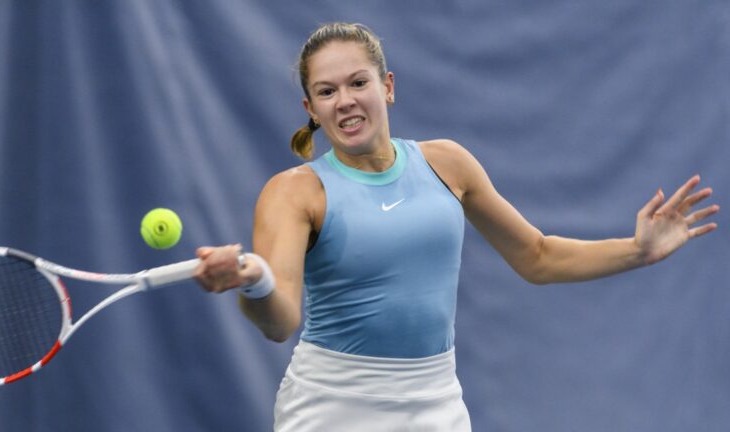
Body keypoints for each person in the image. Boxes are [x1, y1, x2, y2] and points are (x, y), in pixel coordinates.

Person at [193, 22, 719, 431]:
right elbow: (279, 321)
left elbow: (537, 256)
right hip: (333, 405)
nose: (346, 100)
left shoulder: (448, 163)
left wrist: (637, 250)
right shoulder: (293, 192)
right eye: (327, 92)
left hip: (437, 401)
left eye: (358, 82)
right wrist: (253, 279)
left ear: (388, 86)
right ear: (311, 108)